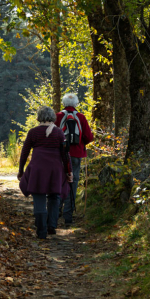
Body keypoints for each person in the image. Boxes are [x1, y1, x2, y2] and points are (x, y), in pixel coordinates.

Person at [18, 106, 73, 239]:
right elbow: (65, 155)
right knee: (54, 197)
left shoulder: (33, 132)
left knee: (39, 197)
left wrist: (21, 170)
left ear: (39, 117)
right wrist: (69, 171)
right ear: (52, 117)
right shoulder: (59, 133)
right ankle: (51, 226)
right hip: (55, 169)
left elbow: (24, 152)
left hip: (37, 170)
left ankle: (41, 230)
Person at [55, 93, 94, 225]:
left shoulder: (58, 116)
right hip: (76, 154)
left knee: (59, 182)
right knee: (73, 182)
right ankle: (68, 217)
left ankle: (55, 212)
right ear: (76, 103)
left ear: (64, 103)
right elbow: (88, 137)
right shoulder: (81, 117)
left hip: (60, 154)